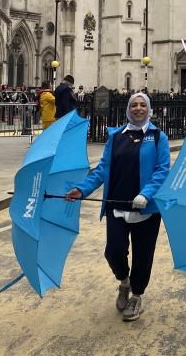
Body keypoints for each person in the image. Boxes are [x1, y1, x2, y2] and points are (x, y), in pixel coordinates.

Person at [65, 93, 170, 322]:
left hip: (145, 209)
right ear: (128, 109)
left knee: (143, 257)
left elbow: (162, 171)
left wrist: (146, 194)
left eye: (143, 105)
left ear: (149, 109)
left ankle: (137, 296)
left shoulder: (157, 136)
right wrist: (82, 190)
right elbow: (103, 169)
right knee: (114, 251)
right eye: (134, 105)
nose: (138, 108)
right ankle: (124, 282)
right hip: (117, 204)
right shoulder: (116, 136)